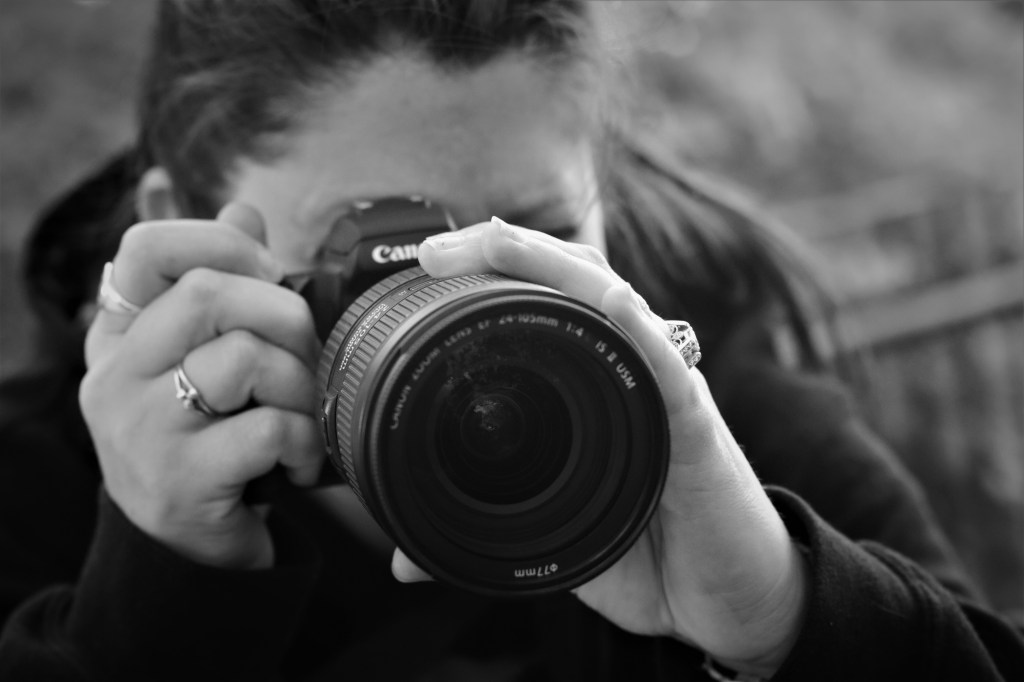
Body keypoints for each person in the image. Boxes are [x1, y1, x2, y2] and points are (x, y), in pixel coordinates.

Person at [0, 1, 1021, 680]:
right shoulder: (33, 490)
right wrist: (155, 600)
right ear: (183, 226)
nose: (475, 313)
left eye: (537, 236)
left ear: (605, 206)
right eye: (386, 250)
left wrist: (789, 614)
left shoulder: (721, 445)